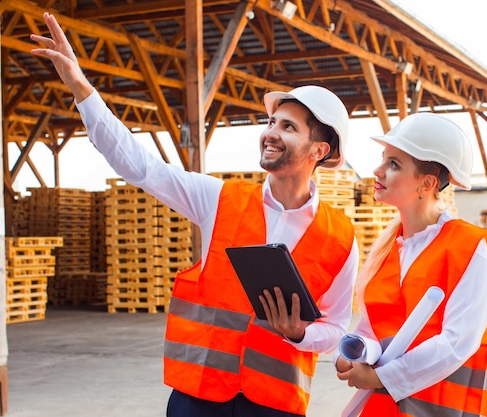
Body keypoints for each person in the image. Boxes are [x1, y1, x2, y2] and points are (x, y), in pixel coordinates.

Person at [31, 12, 359, 417]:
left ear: (319, 151)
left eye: (288, 127)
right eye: (271, 121)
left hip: (275, 403)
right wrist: (82, 89)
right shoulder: (218, 198)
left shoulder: (341, 236)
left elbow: (338, 328)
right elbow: (140, 166)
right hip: (199, 396)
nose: (270, 132)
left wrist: (299, 334)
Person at [335, 113, 487, 416]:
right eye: (383, 159)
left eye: (394, 164)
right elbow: (373, 326)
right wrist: (354, 354)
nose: (377, 171)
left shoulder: (470, 247)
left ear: (426, 183)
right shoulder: (387, 250)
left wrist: (380, 377)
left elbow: (459, 341)